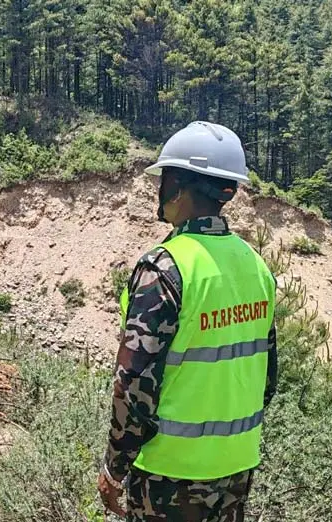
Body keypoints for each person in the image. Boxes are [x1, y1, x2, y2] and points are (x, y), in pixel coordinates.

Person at [98, 121, 278, 521]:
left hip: (169, 476)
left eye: (164, 180)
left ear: (178, 186)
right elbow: (267, 381)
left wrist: (115, 466)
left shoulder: (164, 268)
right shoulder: (256, 267)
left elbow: (133, 384)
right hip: (235, 469)